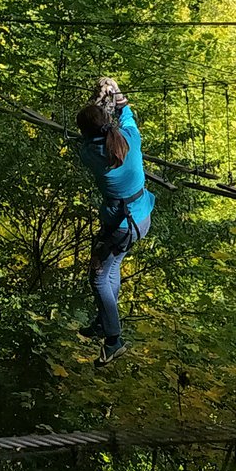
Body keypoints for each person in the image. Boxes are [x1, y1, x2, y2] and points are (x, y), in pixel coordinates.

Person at [74, 76, 154, 366]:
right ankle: (104, 322)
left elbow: (90, 133)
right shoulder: (130, 138)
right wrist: (115, 92)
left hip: (119, 226)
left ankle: (113, 339)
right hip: (140, 218)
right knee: (111, 269)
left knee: (97, 277)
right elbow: (125, 111)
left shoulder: (90, 153)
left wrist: (97, 99)